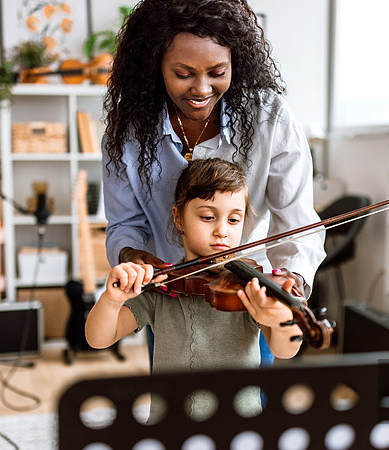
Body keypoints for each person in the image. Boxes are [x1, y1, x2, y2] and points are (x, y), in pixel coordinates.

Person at [102, 0, 325, 366]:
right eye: (184, 73)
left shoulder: (269, 117)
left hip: (246, 295)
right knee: (175, 399)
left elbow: (297, 220)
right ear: (155, 64)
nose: (202, 88)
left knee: (249, 406)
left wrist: (289, 285)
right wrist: (133, 258)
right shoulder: (128, 127)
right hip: (169, 295)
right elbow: (125, 224)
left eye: (217, 72)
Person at [86, 158, 303, 417]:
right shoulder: (161, 287)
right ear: (178, 218)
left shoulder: (248, 289)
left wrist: (280, 321)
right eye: (208, 217)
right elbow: (98, 339)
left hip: (236, 426)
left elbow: (286, 350)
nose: (222, 231)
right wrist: (112, 300)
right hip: (171, 427)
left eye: (234, 220)